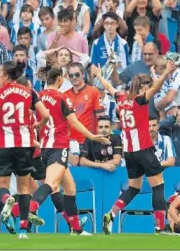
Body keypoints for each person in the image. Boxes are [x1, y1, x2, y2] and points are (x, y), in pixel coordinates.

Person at [91, 58, 178, 235]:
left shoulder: (121, 99)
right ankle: (160, 228)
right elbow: (156, 89)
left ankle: (111, 213)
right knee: (158, 185)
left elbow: (109, 87)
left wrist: (99, 76)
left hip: (128, 152)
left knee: (133, 188)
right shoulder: (140, 100)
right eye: (147, 86)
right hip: (144, 149)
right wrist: (167, 73)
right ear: (142, 87)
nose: (149, 88)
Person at [29, 67, 110, 236]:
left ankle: (76, 229)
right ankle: (28, 209)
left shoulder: (38, 96)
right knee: (51, 184)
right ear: (59, 79)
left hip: (45, 147)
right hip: (59, 146)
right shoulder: (62, 97)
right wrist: (92, 136)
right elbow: (74, 122)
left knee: (70, 188)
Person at [0, 61, 50, 239]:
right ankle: (23, 230)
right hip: (24, 145)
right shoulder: (30, 92)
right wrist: (38, 124)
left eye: (0, 73)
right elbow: (45, 115)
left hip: (3, 144)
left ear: (6, 75)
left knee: (1, 187)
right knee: (24, 189)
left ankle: (7, 200)